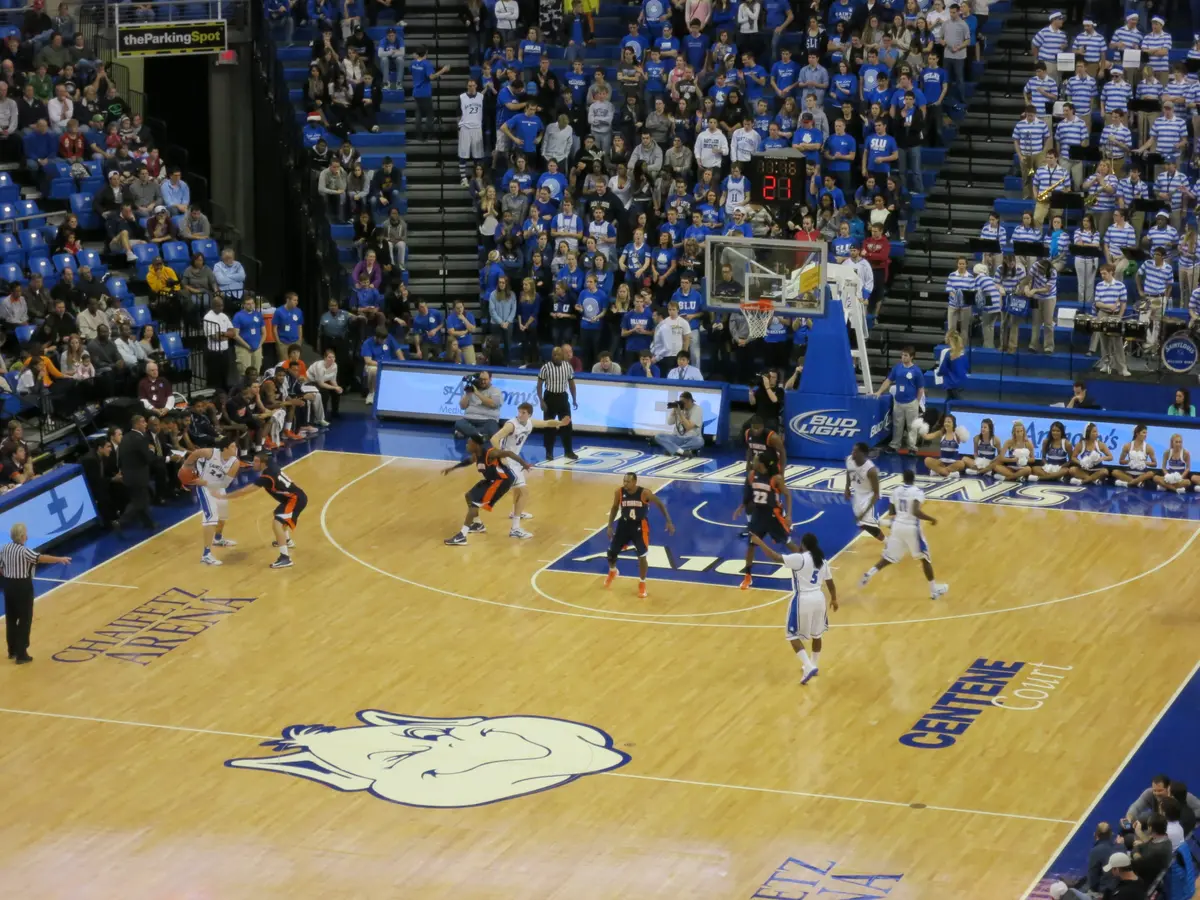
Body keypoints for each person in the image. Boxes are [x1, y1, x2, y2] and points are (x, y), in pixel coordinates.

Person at [749, 531, 837, 684]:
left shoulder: (800, 558)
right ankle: (813, 664)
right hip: (819, 598)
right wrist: (834, 598)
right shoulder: (822, 560)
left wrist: (759, 542)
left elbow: (775, 557)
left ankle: (809, 666)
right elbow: (830, 582)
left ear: (803, 545)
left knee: (792, 635)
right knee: (817, 634)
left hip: (803, 598)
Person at [859, 468, 949, 600]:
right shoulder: (917, 492)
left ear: (903, 479)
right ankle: (933, 590)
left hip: (897, 527)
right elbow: (915, 512)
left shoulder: (895, 491)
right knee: (925, 558)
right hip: (911, 528)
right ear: (914, 479)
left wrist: (894, 521)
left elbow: (891, 512)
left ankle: (869, 573)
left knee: (889, 557)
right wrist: (932, 519)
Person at [490, 402, 571, 538]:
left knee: (518, 490)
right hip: (506, 461)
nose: (520, 415)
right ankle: (515, 528)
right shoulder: (511, 424)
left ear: (529, 415)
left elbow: (546, 423)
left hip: (515, 460)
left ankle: (516, 512)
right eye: (519, 412)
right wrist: (501, 455)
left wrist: (560, 423)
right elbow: (494, 439)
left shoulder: (529, 423)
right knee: (524, 492)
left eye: (523, 413)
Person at [1, 522, 70, 664]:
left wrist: (7, 575)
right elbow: (41, 558)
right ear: (21, 536)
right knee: (25, 619)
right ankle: (21, 654)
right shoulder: (24, 551)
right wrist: (59, 559)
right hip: (22, 586)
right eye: (25, 533)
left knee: (11, 618)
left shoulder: (5, 548)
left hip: (8, 585)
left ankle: (12, 650)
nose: (27, 535)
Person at [442, 437, 531, 546]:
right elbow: (468, 461)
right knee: (469, 496)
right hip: (491, 480)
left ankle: (462, 535)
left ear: (477, 445)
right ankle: (478, 524)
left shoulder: (490, 453)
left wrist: (524, 464)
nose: (466, 446)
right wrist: (452, 468)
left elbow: (509, 453)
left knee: (474, 503)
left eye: (469, 443)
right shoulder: (477, 455)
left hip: (501, 481)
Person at [227, 452, 308, 569]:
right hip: (293, 497)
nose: (253, 464)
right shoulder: (271, 465)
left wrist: (225, 496)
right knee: (279, 515)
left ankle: (285, 557)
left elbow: (244, 491)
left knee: (277, 523)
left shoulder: (266, 478)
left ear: (263, 463)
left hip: (295, 499)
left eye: (256, 461)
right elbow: (268, 457)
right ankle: (287, 540)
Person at [734, 449, 798, 590]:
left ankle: (807, 561)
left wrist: (789, 515)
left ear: (761, 463)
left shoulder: (776, 479)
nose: (753, 461)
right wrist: (741, 506)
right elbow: (750, 494)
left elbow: (787, 495)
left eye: (756, 459)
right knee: (751, 545)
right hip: (758, 514)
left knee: (787, 542)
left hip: (773, 515)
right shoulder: (752, 475)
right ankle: (747, 576)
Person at [603, 472, 674, 599]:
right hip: (623, 526)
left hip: (639, 527)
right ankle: (613, 571)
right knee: (611, 553)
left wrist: (668, 521)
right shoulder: (618, 492)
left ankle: (642, 583)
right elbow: (614, 508)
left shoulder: (644, 493)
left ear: (635, 482)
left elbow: (660, 504)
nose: (625, 483)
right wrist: (609, 526)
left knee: (641, 556)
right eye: (624, 481)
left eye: (628, 481)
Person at [182, 439, 242, 565]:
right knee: (211, 517)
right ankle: (206, 555)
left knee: (223, 516)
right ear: (224, 448)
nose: (235, 449)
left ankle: (218, 539)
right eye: (232, 446)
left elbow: (225, 483)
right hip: (204, 488)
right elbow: (195, 453)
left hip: (218, 486)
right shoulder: (210, 453)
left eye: (235, 447)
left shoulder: (235, 462)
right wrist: (186, 466)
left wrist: (208, 483)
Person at [876, 345, 924, 452]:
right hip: (898, 401)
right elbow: (888, 380)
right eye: (902, 355)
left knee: (912, 426)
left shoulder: (916, 371)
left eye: (906, 355)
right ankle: (894, 445)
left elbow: (920, 389)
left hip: (911, 402)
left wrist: (917, 402)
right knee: (897, 424)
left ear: (912, 357)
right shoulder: (897, 368)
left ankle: (912, 447)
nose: (903, 357)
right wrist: (879, 391)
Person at [116, 414, 158, 533]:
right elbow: (148, 458)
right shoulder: (140, 438)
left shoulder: (125, 437)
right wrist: (151, 450)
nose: (145, 424)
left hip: (128, 475)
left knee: (139, 499)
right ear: (137, 424)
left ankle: (148, 523)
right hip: (138, 475)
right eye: (143, 422)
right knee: (139, 502)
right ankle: (120, 522)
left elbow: (120, 457)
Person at [536, 345, 577, 460]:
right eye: (553, 354)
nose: (555, 356)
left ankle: (568, 451)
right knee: (550, 426)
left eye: (558, 354)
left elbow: (571, 384)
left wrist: (574, 399)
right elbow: (539, 385)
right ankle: (549, 452)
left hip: (563, 397)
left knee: (567, 425)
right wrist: (541, 400)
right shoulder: (545, 367)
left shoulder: (567, 367)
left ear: (562, 355)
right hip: (550, 397)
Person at [845, 442, 884, 541]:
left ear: (862, 454)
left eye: (855, 451)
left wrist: (865, 512)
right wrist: (847, 487)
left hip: (869, 495)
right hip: (858, 494)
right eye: (853, 450)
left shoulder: (871, 470)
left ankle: (888, 545)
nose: (852, 453)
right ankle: (889, 523)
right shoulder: (849, 459)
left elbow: (876, 493)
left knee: (866, 524)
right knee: (862, 524)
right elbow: (849, 471)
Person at [453, 370, 502, 442]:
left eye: (485, 379)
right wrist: (468, 394)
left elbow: (493, 404)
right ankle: (479, 435)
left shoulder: (495, 391)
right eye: (481, 379)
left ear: (490, 379)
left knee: (492, 429)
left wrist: (477, 393)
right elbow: (462, 406)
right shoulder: (471, 389)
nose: (482, 381)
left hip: (488, 420)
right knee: (459, 423)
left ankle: (471, 434)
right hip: (469, 419)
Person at [653, 390, 704, 456]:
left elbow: (688, 427)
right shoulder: (679, 408)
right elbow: (670, 422)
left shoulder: (698, 409)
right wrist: (674, 411)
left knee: (700, 441)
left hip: (690, 439)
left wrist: (680, 413)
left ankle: (674, 450)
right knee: (658, 436)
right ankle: (681, 451)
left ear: (689, 401)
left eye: (683, 402)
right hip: (676, 438)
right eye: (680, 402)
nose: (682, 404)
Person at [922, 413, 967, 478]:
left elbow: (964, 440)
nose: (946, 423)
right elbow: (927, 437)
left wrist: (962, 435)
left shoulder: (957, 435)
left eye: (949, 422)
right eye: (945, 422)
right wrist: (921, 429)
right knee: (927, 460)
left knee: (962, 464)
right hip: (941, 463)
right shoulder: (941, 433)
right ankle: (947, 473)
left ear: (953, 424)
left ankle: (939, 471)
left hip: (953, 464)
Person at [1113, 424, 1156, 488]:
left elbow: (1155, 464)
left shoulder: (1148, 447)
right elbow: (1121, 461)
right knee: (1115, 472)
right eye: (1144, 433)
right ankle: (1137, 483)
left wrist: (1145, 462)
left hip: (1142, 475)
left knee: (1151, 473)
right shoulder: (1127, 446)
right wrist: (1129, 461)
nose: (1145, 435)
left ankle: (1128, 483)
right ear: (1137, 434)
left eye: (1146, 433)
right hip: (1129, 474)